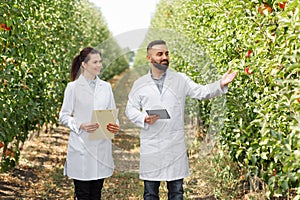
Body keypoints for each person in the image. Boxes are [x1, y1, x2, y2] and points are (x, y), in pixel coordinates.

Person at [125, 40, 237, 200]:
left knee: (176, 192)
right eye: (159, 54)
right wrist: (144, 118)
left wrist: (220, 83)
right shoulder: (140, 84)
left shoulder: (180, 79)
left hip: (174, 144)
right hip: (152, 144)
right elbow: (130, 109)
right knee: (150, 193)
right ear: (149, 58)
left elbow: (202, 92)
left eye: (166, 53)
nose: (165, 57)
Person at [59, 47, 119, 200]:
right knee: (83, 194)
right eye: (95, 62)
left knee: (96, 193)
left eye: (100, 61)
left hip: (101, 147)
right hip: (81, 147)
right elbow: (63, 116)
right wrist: (80, 125)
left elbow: (112, 114)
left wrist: (114, 126)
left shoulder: (106, 87)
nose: (99, 65)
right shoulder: (72, 88)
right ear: (84, 65)